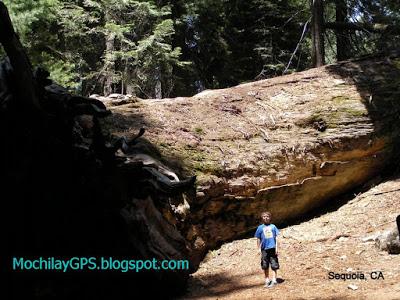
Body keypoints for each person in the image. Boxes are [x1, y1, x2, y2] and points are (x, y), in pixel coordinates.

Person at [255, 211, 280, 288]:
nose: (266, 218)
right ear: (262, 218)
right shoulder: (260, 228)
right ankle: (267, 280)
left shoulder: (273, 226)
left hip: (272, 248)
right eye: (264, 216)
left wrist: (277, 248)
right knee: (265, 264)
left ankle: (274, 280)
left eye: (267, 216)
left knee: (274, 263)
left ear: (270, 218)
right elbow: (258, 238)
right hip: (264, 249)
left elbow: (276, 237)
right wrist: (258, 248)